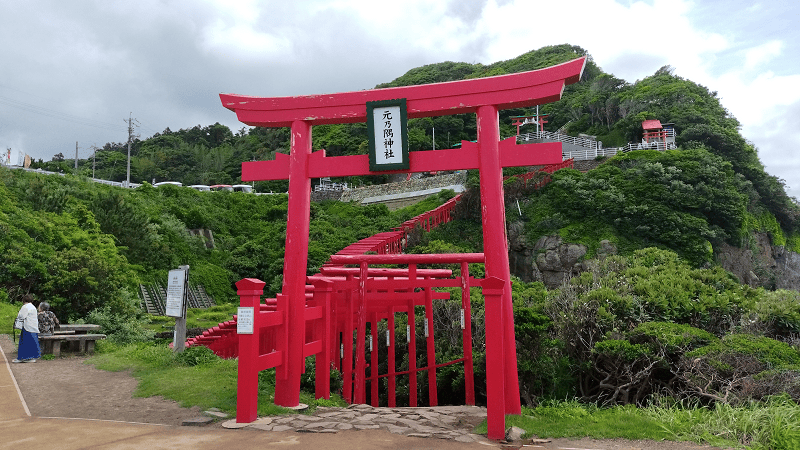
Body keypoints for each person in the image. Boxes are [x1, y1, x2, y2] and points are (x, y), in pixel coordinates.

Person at [13, 294, 40, 363]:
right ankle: (32, 358)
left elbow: (21, 316)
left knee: (24, 343)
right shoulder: (33, 307)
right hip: (34, 327)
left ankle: (22, 358)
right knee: (32, 343)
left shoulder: (25, 307)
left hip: (27, 327)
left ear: (24, 300)